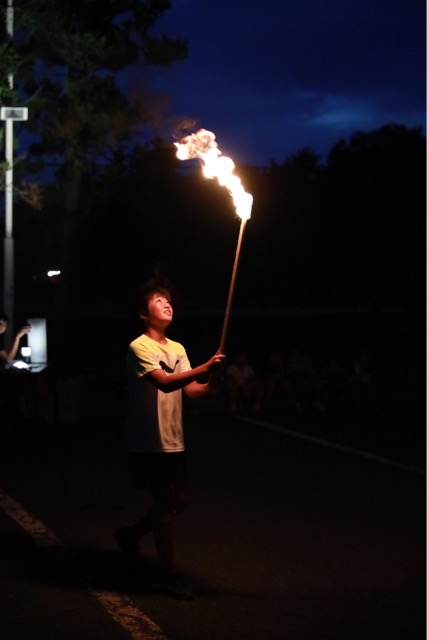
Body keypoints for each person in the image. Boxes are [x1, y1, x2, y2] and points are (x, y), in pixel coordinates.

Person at [115, 284, 225, 600]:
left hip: (174, 439)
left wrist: (213, 380)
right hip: (149, 440)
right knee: (165, 506)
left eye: (168, 300)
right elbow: (164, 383)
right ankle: (169, 576)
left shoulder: (178, 347)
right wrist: (205, 366)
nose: (167, 303)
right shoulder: (139, 347)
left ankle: (130, 535)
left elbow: (192, 390)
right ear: (142, 313)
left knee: (178, 502)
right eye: (158, 300)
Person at [226, 348, 263, 414]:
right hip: (236, 387)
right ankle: (233, 406)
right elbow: (231, 380)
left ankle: (256, 405)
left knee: (259, 385)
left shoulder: (248, 368)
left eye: (246, 356)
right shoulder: (232, 368)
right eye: (243, 356)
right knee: (234, 386)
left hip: (246, 387)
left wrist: (249, 385)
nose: (245, 358)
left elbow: (253, 378)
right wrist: (243, 386)